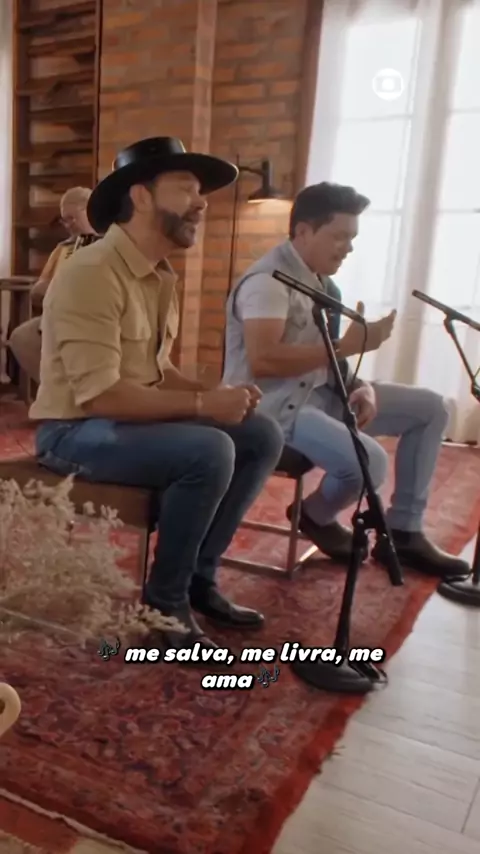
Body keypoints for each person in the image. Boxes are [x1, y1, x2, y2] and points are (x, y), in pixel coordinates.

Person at [29, 137, 284, 656]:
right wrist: (203, 408)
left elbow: (153, 372)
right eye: (187, 188)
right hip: (72, 432)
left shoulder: (157, 274)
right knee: (209, 449)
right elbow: (101, 396)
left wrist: (213, 392)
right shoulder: (91, 272)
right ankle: (164, 607)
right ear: (141, 196)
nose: (202, 202)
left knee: (259, 434)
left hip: (120, 421)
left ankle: (198, 578)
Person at [222, 182, 470, 579]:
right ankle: (315, 514)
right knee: (369, 461)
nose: (348, 248)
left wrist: (359, 386)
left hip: (318, 393)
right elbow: (263, 359)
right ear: (303, 231)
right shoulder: (267, 282)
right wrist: (347, 346)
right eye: (339, 236)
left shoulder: (324, 283)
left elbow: (331, 358)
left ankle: (404, 533)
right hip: (272, 407)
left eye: (352, 238)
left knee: (431, 408)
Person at [7, 187, 97, 384]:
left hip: (96, 317)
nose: (69, 225)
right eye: (65, 220)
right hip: (58, 315)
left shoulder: (109, 244)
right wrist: (55, 288)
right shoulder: (62, 249)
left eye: (73, 218)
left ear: (90, 210)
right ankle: (59, 389)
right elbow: (37, 291)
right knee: (22, 337)